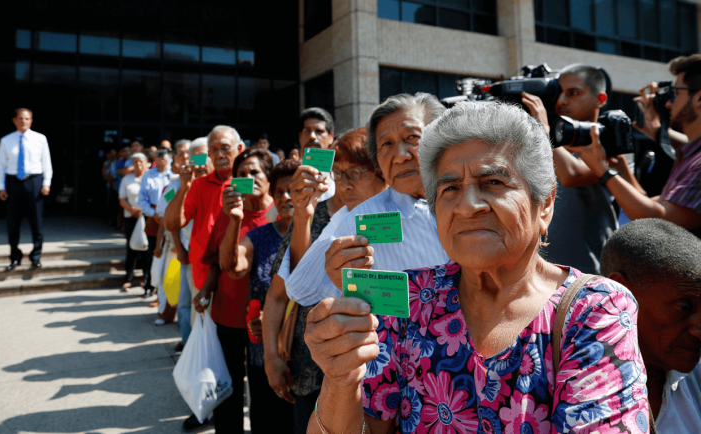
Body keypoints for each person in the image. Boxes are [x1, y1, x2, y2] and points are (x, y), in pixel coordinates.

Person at [305, 101, 651, 434]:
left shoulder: (593, 309)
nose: (468, 206)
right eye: (450, 188)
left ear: (544, 204)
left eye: (493, 183)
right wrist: (339, 382)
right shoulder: (410, 302)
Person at [263, 128, 388, 434]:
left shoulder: (410, 220)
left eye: (355, 173)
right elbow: (289, 291)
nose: (344, 184)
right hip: (318, 363)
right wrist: (271, 356)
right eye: (339, 173)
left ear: (383, 173)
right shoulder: (331, 218)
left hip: (387, 374)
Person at [285, 93, 450, 306]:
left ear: (441, 141)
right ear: (377, 161)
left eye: (412, 138)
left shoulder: (476, 204)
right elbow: (300, 290)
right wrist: (339, 277)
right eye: (386, 144)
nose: (400, 155)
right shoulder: (359, 221)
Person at [163, 126, 244, 431]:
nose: (220, 154)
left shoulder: (247, 179)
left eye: (225, 148)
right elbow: (174, 221)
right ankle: (210, 407)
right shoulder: (199, 185)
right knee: (214, 351)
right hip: (205, 279)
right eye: (214, 150)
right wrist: (185, 185)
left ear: (239, 148)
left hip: (242, 276)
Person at [523, 64, 638, 274]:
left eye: (573, 93)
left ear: (600, 99)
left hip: (589, 271)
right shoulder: (546, 142)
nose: (562, 101)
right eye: (559, 94)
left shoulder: (607, 140)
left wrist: (543, 130)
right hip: (541, 271)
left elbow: (572, 175)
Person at [573, 55, 701, 236]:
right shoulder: (689, 155)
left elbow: (657, 220)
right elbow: (652, 204)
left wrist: (601, 168)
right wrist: (618, 164)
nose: (668, 103)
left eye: (676, 93)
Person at [194, 148, 274, 434]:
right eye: (241, 174)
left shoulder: (282, 213)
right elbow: (219, 262)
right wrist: (205, 290)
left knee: (264, 394)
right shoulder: (228, 213)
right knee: (226, 393)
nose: (248, 178)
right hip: (226, 317)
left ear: (269, 178)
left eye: (255, 172)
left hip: (265, 322)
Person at [220, 158, 299, 433]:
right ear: (272, 196)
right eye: (280, 191)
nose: (286, 196)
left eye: (293, 189)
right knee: (267, 423)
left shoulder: (323, 234)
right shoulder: (260, 236)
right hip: (264, 353)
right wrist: (235, 220)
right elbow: (233, 266)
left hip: (306, 357)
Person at [601, 218, 701, 433]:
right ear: (620, 293)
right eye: (684, 307)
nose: (698, 328)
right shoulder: (569, 382)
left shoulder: (695, 379)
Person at [155, 138, 213, 347]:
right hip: (186, 252)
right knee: (184, 301)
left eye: (196, 156)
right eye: (183, 155)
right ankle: (187, 341)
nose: (190, 160)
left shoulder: (218, 183)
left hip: (212, 255)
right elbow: (163, 215)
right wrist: (178, 247)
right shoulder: (174, 185)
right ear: (177, 159)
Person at [0, 108, 53, 271]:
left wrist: (46, 183)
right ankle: (14, 257)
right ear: (14, 121)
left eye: (27, 119)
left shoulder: (40, 139)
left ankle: (36, 256)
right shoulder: (6, 140)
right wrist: (1, 187)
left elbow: (47, 163)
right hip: (13, 183)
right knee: (13, 222)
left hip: (34, 181)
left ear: (31, 120)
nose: (23, 121)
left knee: (37, 222)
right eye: (20, 118)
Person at [138, 148, 173, 297]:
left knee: (169, 253)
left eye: (165, 157)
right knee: (153, 252)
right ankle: (149, 286)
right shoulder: (148, 175)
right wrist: (154, 214)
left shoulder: (175, 175)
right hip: (154, 217)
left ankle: (164, 290)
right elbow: (142, 200)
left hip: (171, 217)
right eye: (159, 157)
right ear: (155, 159)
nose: (163, 159)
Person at [119, 153, 149, 291]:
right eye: (135, 162)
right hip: (131, 217)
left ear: (147, 163)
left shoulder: (152, 177)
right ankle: (128, 278)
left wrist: (145, 210)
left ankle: (146, 278)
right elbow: (122, 198)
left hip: (149, 217)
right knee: (131, 248)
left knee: (147, 249)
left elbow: (162, 196)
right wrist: (132, 210)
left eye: (141, 162)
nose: (138, 165)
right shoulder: (127, 178)